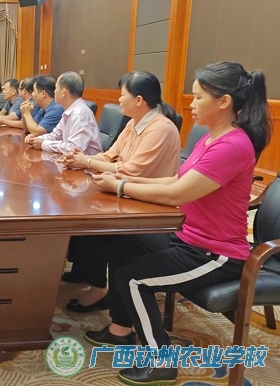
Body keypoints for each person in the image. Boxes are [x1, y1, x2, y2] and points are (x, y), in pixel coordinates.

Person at [84, 61, 271, 385]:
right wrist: (122, 182)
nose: (191, 104)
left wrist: (120, 186)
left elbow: (177, 194)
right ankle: (120, 330)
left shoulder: (233, 145)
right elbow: (175, 180)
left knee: (133, 279)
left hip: (216, 254)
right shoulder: (211, 138)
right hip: (188, 238)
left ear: (224, 101)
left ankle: (161, 361)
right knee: (121, 241)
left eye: (198, 97)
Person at [60, 71, 182, 312]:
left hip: (149, 202)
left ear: (139, 100)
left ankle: (99, 288)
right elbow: (109, 156)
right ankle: (84, 272)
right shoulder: (133, 123)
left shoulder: (160, 128)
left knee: (94, 222)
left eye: (122, 94)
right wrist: (80, 159)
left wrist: (87, 162)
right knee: (78, 205)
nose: (118, 99)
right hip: (126, 193)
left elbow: (132, 170)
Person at [25, 71, 101, 154]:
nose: (54, 92)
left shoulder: (79, 114)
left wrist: (43, 144)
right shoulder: (69, 111)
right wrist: (37, 139)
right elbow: (56, 135)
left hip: (87, 161)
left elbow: (74, 148)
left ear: (64, 92)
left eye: (56, 88)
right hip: (69, 159)